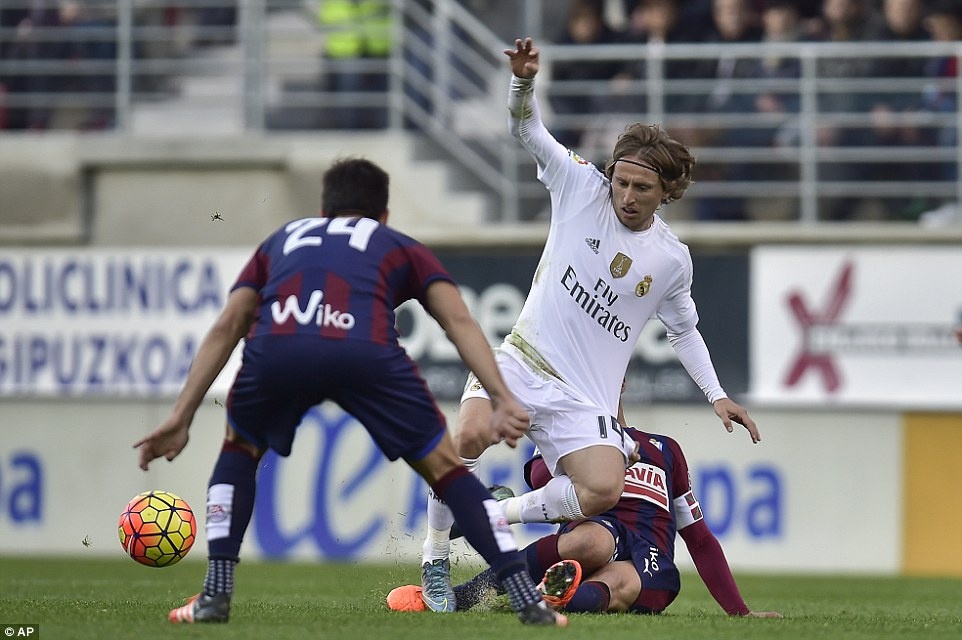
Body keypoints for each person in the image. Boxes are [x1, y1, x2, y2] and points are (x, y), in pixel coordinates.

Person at [133, 157, 566, 627]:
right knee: (447, 470)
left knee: (238, 451)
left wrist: (182, 414)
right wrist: (500, 396)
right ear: (383, 215)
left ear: (323, 212)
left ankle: (215, 595)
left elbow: (229, 324)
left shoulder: (283, 239)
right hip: (364, 351)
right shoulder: (396, 244)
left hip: (280, 348)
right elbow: (457, 320)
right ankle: (528, 601)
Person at [418, 36, 761, 614]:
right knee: (467, 438)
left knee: (602, 489)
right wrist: (524, 83)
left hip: (586, 395)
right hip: (525, 357)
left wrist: (718, 395)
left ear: (666, 193)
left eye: (642, 188)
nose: (626, 195)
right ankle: (433, 555)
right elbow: (528, 131)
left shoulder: (671, 260)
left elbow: (684, 331)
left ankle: (490, 512)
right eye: (621, 182)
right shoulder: (579, 187)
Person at [393, 385, 780, 618]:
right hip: (594, 537)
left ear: (621, 382)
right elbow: (539, 478)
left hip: (649, 552)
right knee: (592, 542)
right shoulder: (570, 446)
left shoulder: (664, 449)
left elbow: (698, 538)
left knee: (621, 583)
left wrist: (740, 612)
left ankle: (548, 594)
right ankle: (465, 596)